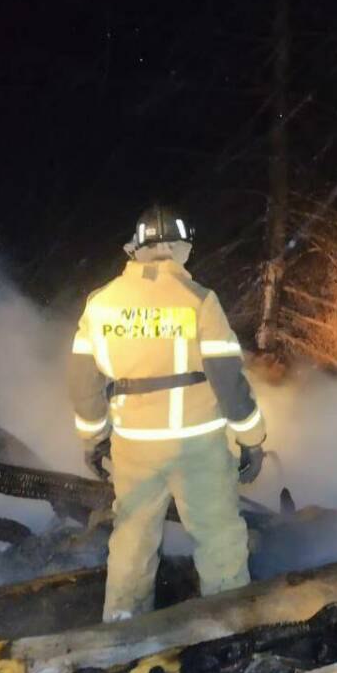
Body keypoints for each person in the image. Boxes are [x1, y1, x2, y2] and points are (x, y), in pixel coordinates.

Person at [68, 205, 267, 621]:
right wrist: (252, 439)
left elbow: (83, 381)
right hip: (198, 445)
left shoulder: (102, 304)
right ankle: (229, 630)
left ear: (136, 249)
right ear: (183, 248)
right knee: (219, 539)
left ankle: (122, 633)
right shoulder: (199, 301)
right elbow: (228, 379)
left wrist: (93, 438)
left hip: (135, 447)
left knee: (132, 540)